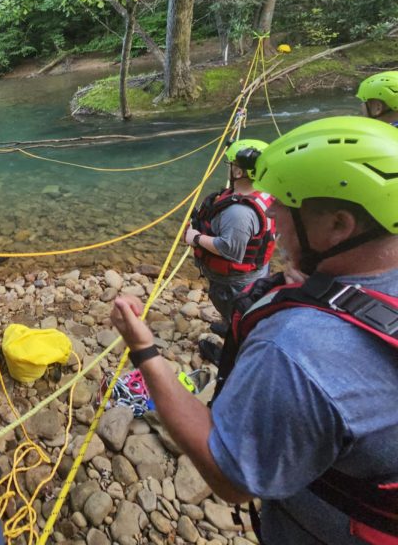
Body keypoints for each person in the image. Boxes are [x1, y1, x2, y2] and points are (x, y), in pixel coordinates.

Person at [110, 116, 398, 545]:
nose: (274, 216)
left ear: (340, 225)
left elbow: (231, 478)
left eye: (286, 205)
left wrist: (144, 351)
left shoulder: (294, 351)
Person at [184, 138, 276, 363]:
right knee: (240, 314)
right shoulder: (265, 196)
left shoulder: (239, 213)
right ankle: (232, 325)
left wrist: (195, 238)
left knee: (239, 316)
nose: (230, 167)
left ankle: (231, 355)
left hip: (234, 283)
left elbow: (230, 250)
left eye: (232, 164)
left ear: (239, 171)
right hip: (250, 275)